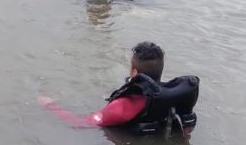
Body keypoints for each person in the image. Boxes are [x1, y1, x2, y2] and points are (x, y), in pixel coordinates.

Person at [38, 42, 199, 135]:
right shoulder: (176, 94)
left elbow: (79, 124)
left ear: (134, 72)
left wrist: (49, 104)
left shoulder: (123, 106)